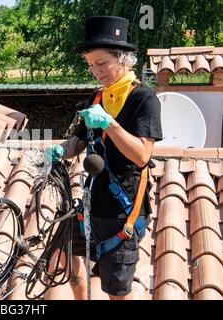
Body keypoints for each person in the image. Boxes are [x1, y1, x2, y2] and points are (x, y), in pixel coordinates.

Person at [45, 16, 163, 300]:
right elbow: (80, 140)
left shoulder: (143, 99)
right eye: (90, 65)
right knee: (62, 253)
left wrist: (110, 124)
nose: (95, 71)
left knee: (115, 291)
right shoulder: (98, 98)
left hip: (122, 210)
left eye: (101, 63)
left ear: (123, 60)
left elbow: (142, 155)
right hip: (91, 201)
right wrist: (64, 149)